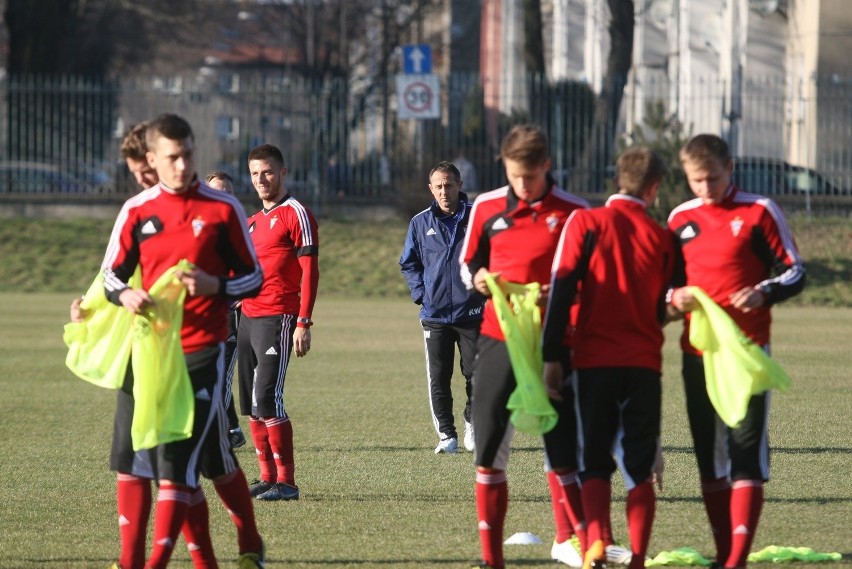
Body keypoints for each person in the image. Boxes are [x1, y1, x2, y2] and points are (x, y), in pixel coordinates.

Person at [101, 113, 266, 568]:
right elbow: (110, 276)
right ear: (154, 159)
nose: (182, 164)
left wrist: (216, 286)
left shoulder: (221, 209)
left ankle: (243, 546)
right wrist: (125, 294)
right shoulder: (136, 211)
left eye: (188, 153)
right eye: (172, 157)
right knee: (138, 460)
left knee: (181, 467)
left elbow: (254, 276)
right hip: (148, 352)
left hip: (201, 351)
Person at [667, 134, 805, 569]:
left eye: (713, 178)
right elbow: (664, 284)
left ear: (731, 166)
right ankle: (725, 550)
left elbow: (795, 270)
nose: (705, 188)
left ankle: (736, 560)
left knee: (744, 451)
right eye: (696, 180)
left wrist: (764, 292)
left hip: (745, 352)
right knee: (709, 456)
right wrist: (675, 298)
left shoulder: (759, 210)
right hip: (696, 351)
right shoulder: (679, 219)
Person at [459, 124, 590, 569]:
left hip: (557, 343)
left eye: (530, 177)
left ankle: (571, 541)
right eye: (514, 176)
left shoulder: (575, 212)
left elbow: (593, 279)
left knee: (563, 444)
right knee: (490, 445)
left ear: (546, 167)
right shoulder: (486, 206)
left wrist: (563, 295)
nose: (522, 186)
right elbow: (469, 261)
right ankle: (490, 558)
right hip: (499, 338)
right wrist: (477, 279)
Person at [542, 147, 674, 569]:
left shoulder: (586, 222)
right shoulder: (662, 236)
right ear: (653, 188)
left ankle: (595, 543)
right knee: (639, 466)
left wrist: (552, 356)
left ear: (618, 177)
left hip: (593, 361)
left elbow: (561, 289)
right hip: (643, 365)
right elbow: (662, 307)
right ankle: (636, 558)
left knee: (593, 461)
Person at [237, 143, 319, 502]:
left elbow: (309, 270)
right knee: (251, 404)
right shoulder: (253, 221)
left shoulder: (296, 213)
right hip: (248, 318)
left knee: (268, 397)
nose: (261, 179)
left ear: (282, 172)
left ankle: (287, 483)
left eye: (267, 172)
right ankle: (267, 477)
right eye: (255, 173)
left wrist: (304, 321)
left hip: (279, 317)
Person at [399, 161, 485, 454]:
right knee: (439, 377)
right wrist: (421, 294)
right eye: (438, 186)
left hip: (473, 313)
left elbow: (494, 257)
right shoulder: (420, 223)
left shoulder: (477, 218)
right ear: (431, 189)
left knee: (478, 374)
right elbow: (409, 263)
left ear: (459, 185)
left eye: (449, 185)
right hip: (435, 316)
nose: (444, 191)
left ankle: (472, 424)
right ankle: (447, 436)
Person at [204, 170, 247, 450]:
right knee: (212, 377)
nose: (222, 196)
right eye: (215, 191)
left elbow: (260, 267)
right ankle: (232, 429)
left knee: (220, 381)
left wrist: (244, 291)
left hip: (231, 317)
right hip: (206, 316)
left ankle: (223, 437)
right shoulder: (200, 229)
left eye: (227, 191)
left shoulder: (245, 228)